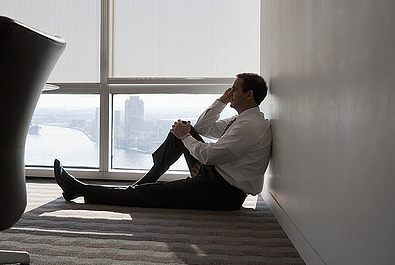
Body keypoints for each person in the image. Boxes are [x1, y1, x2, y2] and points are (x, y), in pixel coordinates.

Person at [53, 73, 272, 211]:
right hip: (214, 178)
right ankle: (147, 178)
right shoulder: (240, 119)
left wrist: (185, 136)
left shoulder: (248, 126)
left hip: (222, 192)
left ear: (249, 94)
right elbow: (202, 127)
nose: (231, 92)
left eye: (234, 89)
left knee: (149, 194)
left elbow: (209, 156)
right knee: (183, 128)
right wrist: (222, 101)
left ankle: (80, 190)